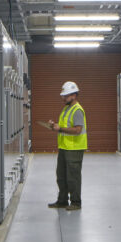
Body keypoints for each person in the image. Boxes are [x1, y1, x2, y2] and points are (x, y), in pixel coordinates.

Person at [40, 81, 87, 210]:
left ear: (74, 95)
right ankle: (62, 201)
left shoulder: (77, 110)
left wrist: (59, 129)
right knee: (61, 176)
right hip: (64, 147)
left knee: (73, 177)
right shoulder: (67, 108)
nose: (63, 98)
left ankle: (76, 202)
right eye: (63, 95)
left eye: (66, 96)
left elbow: (77, 130)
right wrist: (54, 125)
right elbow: (64, 126)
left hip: (74, 148)